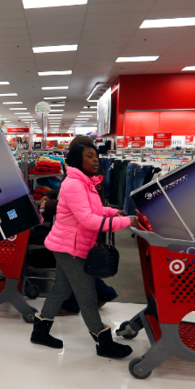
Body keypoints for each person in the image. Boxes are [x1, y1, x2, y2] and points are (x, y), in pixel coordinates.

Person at [31, 141, 139, 359]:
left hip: (70, 245)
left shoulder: (84, 183)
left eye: (95, 156)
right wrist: (126, 222)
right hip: (70, 248)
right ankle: (103, 342)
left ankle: (40, 332)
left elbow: (95, 210)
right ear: (77, 159)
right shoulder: (74, 185)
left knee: (61, 290)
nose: (95, 160)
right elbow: (88, 220)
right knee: (87, 295)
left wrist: (112, 213)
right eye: (89, 156)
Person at [38, 135, 119, 315]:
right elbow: (65, 192)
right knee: (79, 270)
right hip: (78, 232)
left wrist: (49, 204)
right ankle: (103, 294)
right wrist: (50, 194)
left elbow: (82, 206)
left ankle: (75, 305)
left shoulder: (92, 176)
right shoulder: (80, 173)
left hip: (85, 232)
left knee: (78, 270)